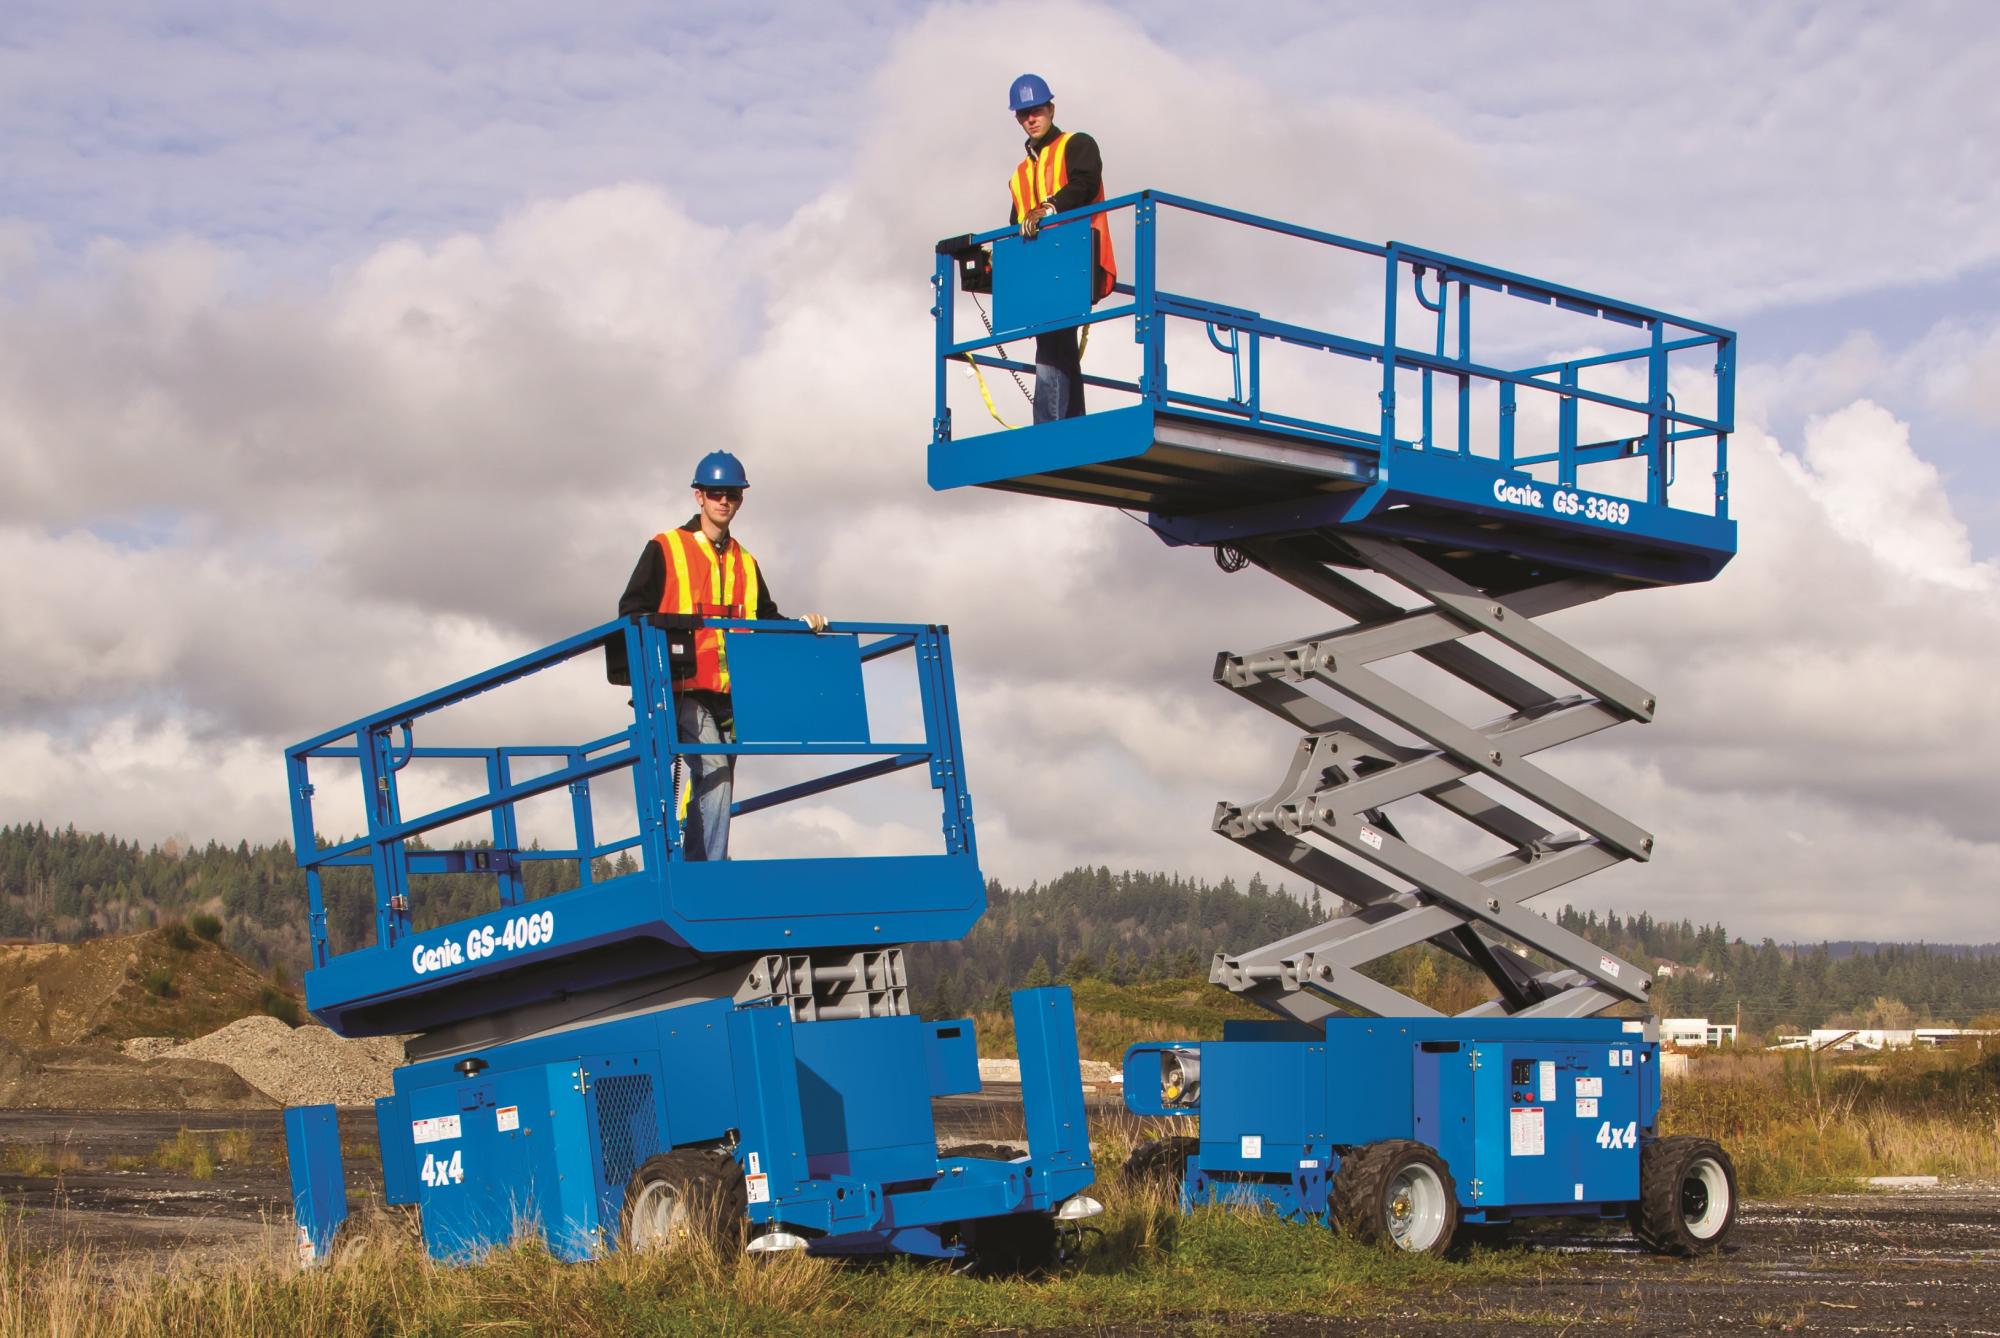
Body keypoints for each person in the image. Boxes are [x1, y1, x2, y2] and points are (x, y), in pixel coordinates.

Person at [614, 451, 826, 861]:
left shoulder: (746, 561)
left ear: (740, 500)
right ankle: (710, 873)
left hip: (729, 696)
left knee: (714, 782)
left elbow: (765, 618)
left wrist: (802, 625)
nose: (723, 501)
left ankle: (697, 864)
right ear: (699, 496)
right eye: (715, 493)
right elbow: (631, 611)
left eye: (731, 494)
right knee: (714, 771)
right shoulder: (666, 547)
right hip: (679, 690)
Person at [1005, 73, 1116, 423]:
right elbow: (1014, 224)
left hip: (1076, 260)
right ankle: (1071, 425)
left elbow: (1085, 182)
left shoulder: (1077, 144)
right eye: (1023, 114)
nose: (1031, 119)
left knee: (1054, 343)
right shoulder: (1020, 175)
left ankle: (1050, 430)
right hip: (1041, 271)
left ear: (1051, 108)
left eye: (1036, 110)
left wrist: (1049, 208)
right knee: (1056, 345)